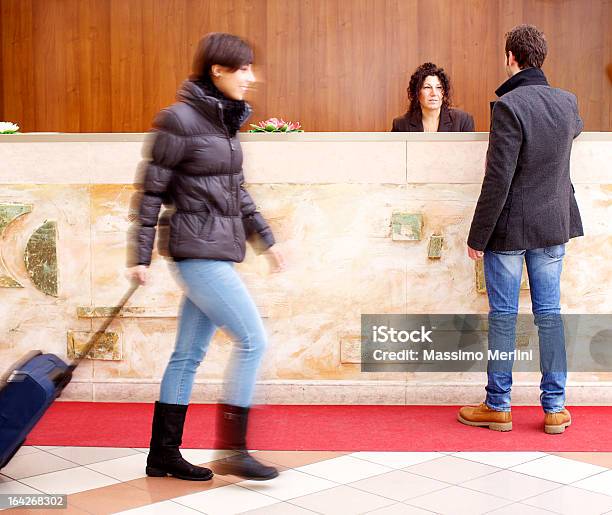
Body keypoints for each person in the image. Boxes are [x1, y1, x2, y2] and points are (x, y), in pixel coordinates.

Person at [129, 32, 285, 481]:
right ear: (217, 71)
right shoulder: (178, 120)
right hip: (197, 254)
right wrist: (140, 256)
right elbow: (150, 190)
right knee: (254, 340)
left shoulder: (223, 124)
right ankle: (234, 450)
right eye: (243, 68)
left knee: (186, 355)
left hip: (213, 250)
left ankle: (163, 455)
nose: (251, 77)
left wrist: (268, 241)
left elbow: (237, 193)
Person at [460, 24, 583, 434]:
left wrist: (477, 237)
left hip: (510, 231)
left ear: (510, 58)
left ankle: (498, 406)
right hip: (553, 226)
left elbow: (498, 179)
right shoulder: (568, 104)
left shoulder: (510, 107)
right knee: (549, 316)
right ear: (541, 58)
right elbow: (574, 129)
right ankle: (555, 408)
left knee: (505, 318)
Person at [391, 62, 474, 132]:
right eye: (427, 87)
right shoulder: (401, 124)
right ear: (416, 92)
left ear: (444, 93)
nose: (434, 93)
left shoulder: (463, 121)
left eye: (439, 87)